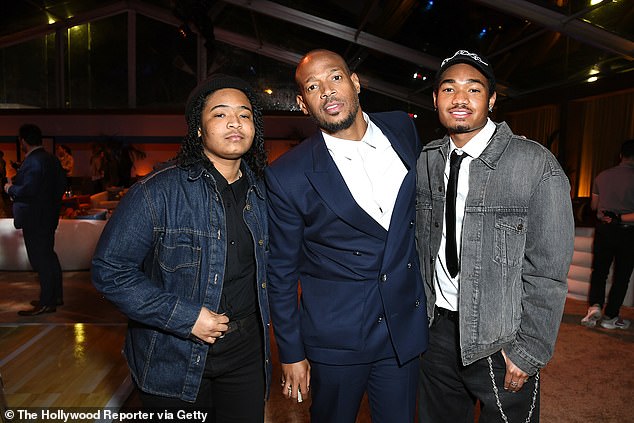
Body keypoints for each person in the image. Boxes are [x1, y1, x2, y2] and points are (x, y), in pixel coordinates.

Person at [91, 74, 271, 419]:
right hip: (173, 357)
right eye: (220, 114)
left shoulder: (265, 192)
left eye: (245, 114)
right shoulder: (157, 191)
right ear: (199, 129)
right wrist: (185, 317)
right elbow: (109, 271)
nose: (235, 121)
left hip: (246, 356)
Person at [266, 49, 428, 423]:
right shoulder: (288, 174)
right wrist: (291, 352)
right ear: (303, 103)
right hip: (336, 339)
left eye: (335, 78)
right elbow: (281, 272)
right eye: (313, 86)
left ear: (355, 83)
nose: (327, 91)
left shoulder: (402, 128)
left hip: (401, 329)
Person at [415, 50, 574, 423]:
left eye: (473, 89)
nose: (459, 99)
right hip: (435, 333)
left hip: (501, 338)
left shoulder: (534, 164)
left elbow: (548, 271)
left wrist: (529, 350)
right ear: (435, 98)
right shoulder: (426, 160)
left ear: (491, 100)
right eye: (449, 88)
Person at [5, 124, 67, 316]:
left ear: (23, 140)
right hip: (48, 216)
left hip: (35, 218)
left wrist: (10, 189)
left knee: (40, 259)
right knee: (49, 256)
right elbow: (61, 186)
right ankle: (55, 296)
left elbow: (28, 190)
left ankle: (47, 302)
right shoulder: (51, 159)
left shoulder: (32, 162)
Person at [581, 139, 634, 330]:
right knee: (622, 276)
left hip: (604, 230)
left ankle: (594, 307)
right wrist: (621, 217)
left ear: (621, 155)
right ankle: (611, 316)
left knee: (600, 272)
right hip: (628, 233)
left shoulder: (602, 176)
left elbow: (595, 206)